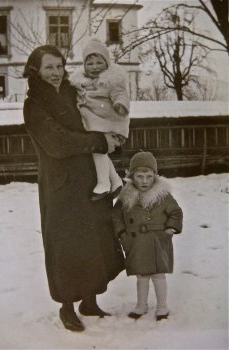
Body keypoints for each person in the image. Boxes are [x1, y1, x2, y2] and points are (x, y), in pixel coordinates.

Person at [23, 45, 125, 332]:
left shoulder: (75, 90)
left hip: (90, 179)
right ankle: (67, 307)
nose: (55, 73)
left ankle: (89, 301)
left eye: (59, 66)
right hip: (60, 185)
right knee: (65, 245)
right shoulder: (34, 105)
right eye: (48, 68)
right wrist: (99, 141)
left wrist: (113, 130)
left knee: (93, 239)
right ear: (36, 71)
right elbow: (58, 143)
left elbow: (99, 114)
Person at [112, 151, 183, 321]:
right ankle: (141, 306)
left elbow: (176, 212)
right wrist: (122, 233)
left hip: (158, 240)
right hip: (136, 242)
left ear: (155, 177)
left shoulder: (163, 195)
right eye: (140, 176)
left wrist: (170, 228)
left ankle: (162, 306)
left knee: (159, 275)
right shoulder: (126, 196)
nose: (144, 181)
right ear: (131, 176)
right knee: (141, 275)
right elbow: (116, 216)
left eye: (148, 176)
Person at [70, 38, 130, 201]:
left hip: (111, 122)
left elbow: (120, 93)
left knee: (98, 148)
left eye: (99, 62)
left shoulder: (112, 78)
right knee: (98, 149)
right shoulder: (80, 81)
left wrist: (120, 103)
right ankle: (116, 181)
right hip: (96, 123)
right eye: (90, 64)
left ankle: (104, 183)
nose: (95, 67)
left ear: (107, 63)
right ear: (84, 66)